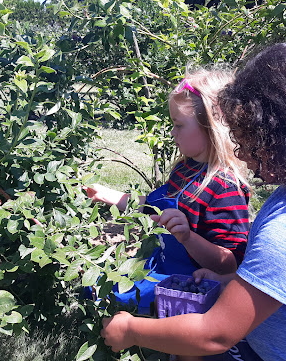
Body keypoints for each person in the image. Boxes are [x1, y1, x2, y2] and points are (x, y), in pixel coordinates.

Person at [100, 42, 286, 361]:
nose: (239, 153)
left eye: (249, 139)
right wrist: (231, 281)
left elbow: (214, 335)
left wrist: (130, 330)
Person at [85, 67, 251, 314]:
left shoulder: (224, 186)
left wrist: (187, 238)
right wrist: (105, 195)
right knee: (95, 288)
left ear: (211, 126)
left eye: (179, 125)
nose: (173, 133)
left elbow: (230, 263)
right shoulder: (185, 169)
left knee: (119, 305)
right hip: (160, 267)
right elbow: (154, 207)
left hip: (186, 284)